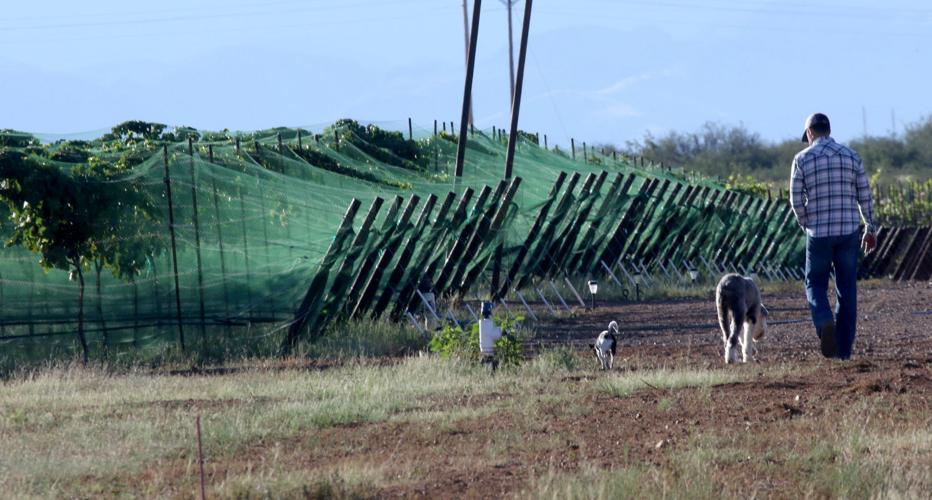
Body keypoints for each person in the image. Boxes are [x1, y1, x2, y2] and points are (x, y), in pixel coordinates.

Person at [790, 112, 876, 359]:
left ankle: (824, 321)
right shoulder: (852, 156)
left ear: (809, 133)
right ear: (828, 130)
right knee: (846, 289)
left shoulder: (802, 159)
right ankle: (843, 352)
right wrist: (870, 228)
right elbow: (865, 196)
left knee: (814, 283)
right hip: (848, 232)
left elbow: (796, 200)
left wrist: (807, 224)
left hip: (819, 233)